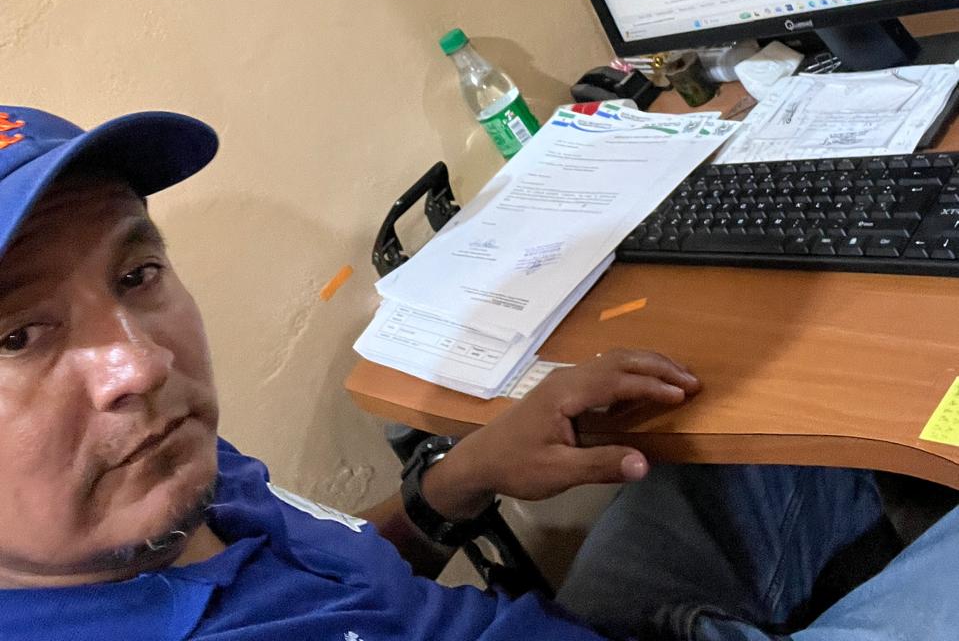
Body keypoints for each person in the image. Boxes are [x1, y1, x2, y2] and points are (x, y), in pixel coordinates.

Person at [0, 102, 954, 641]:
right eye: (15, 337)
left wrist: (463, 477)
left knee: (779, 402)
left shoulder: (159, 476)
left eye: (136, 274)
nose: (141, 363)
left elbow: (338, 567)